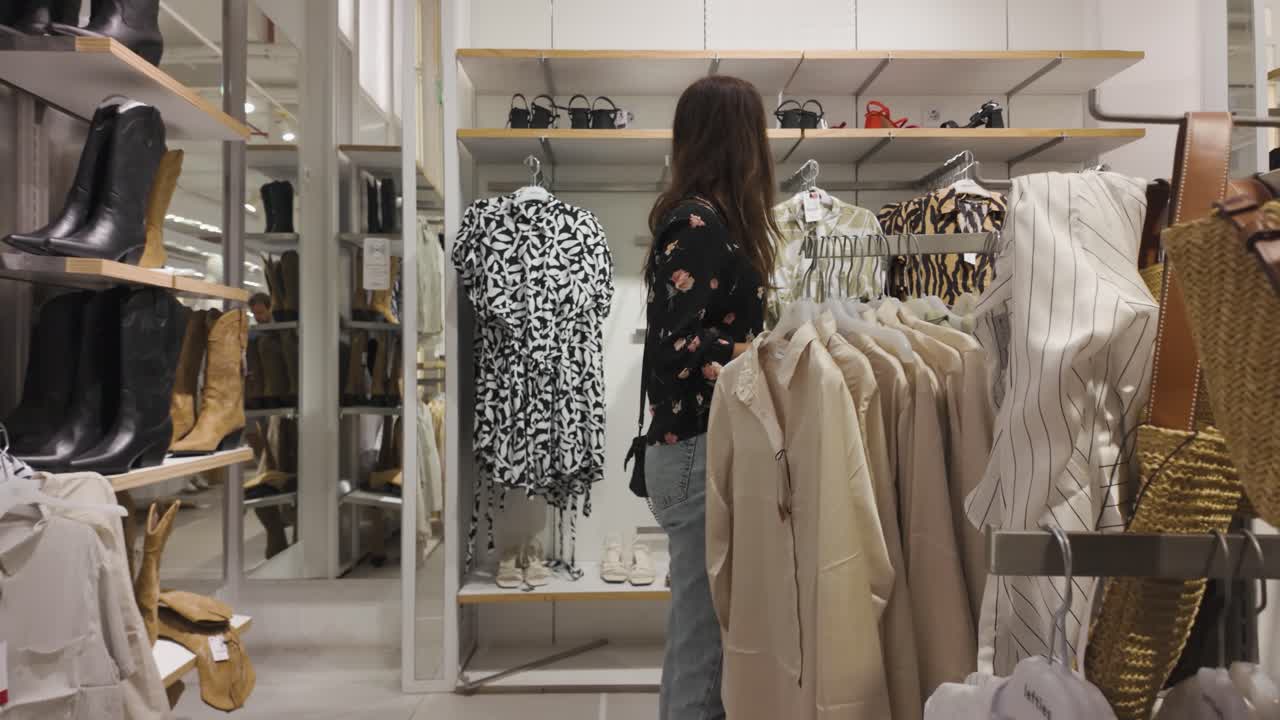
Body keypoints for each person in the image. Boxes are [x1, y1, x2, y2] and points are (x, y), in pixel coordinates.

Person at [642, 75, 780, 720]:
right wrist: (761, 356)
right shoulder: (697, 222)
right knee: (703, 639)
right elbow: (674, 349)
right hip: (695, 453)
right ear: (739, 140)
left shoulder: (709, 220)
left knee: (711, 633)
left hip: (699, 448)